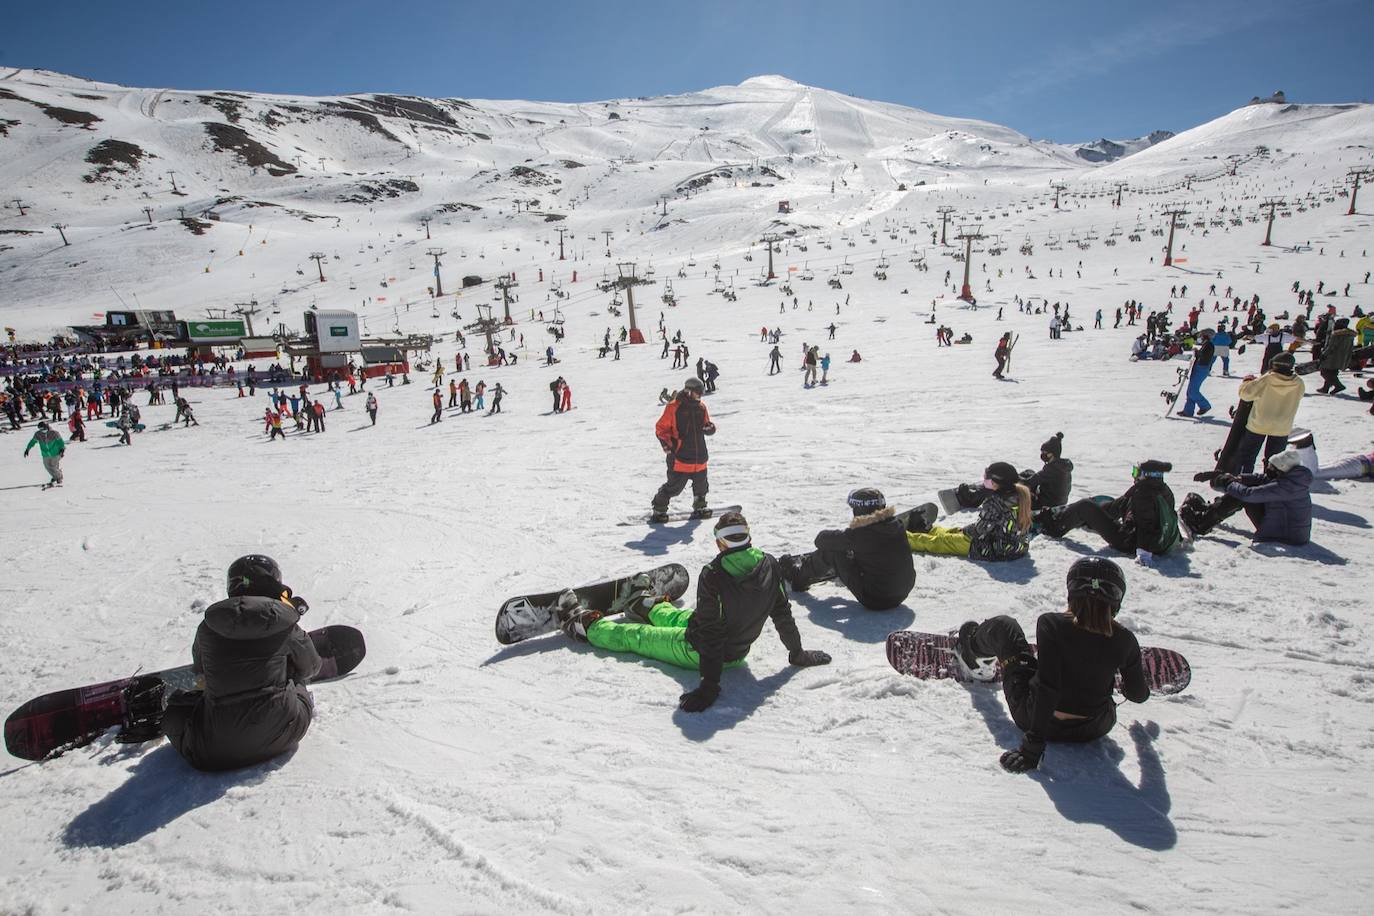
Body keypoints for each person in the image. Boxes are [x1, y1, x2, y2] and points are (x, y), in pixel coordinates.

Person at [555, 513, 831, 711]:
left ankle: (584, 626)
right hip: (734, 648)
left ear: (720, 543)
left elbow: (711, 634)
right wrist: (797, 653)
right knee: (682, 617)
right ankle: (644, 605)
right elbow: (782, 613)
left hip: (699, 651)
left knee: (637, 636)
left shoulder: (714, 574)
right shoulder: (769, 563)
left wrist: (709, 685)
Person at [952, 557, 1148, 773]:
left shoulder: (1052, 624)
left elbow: (1048, 686)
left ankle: (971, 652)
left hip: (1033, 718)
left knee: (1004, 627)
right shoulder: (1125, 640)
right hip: (1095, 727)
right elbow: (1138, 695)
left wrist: (1031, 749)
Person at [159, 555, 321, 771]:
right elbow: (311, 668)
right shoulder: (286, 622)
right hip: (286, 733)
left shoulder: (208, 627)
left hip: (213, 753)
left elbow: (200, 675)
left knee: (175, 713)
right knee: (296, 679)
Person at [778, 488, 915, 610]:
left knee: (832, 551)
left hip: (877, 599)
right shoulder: (897, 525)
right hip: (902, 593)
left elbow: (820, 540)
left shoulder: (861, 535)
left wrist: (846, 539)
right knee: (853, 548)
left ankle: (798, 577)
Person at [1036, 461, 1180, 565]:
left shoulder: (1143, 495)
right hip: (1154, 540)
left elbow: (1146, 524)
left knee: (1085, 506)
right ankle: (1091, 517)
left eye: (1136, 472)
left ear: (1147, 476)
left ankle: (1053, 526)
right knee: (1124, 501)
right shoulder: (1163, 489)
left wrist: (1144, 554)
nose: (1133, 476)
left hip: (1129, 541)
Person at [1181, 449, 1312, 545]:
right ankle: (1210, 511)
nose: (1268, 470)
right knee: (1243, 489)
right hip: (1285, 528)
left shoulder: (1287, 486)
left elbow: (1248, 494)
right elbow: (1263, 479)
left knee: (1242, 496)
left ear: (1281, 469)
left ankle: (1201, 524)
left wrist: (1228, 483)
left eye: (1272, 467)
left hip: (1285, 536)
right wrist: (1238, 478)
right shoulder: (1291, 478)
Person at [906, 462, 1032, 562]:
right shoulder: (1020, 495)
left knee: (941, 542)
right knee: (958, 531)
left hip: (990, 548)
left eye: (987, 478)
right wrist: (963, 530)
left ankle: (905, 538)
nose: (984, 480)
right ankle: (929, 530)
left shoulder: (995, 502)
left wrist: (965, 531)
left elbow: (979, 530)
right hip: (1015, 547)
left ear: (995, 483)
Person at [651, 377, 715, 521]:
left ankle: (700, 505)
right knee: (674, 487)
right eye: (698, 392)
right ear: (688, 391)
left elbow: (706, 424)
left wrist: (710, 428)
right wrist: (667, 445)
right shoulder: (674, 407)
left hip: (699, 455)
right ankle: (659, 508)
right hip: (680, 455)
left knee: (701, 484)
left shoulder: (701, 407)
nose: (700, 395)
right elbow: (661, 428)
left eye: (701, 392)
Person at [1229, 352, 1303, 473]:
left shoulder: (1268, 379)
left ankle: (1243, 478)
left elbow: (1246, 394)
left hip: (1259, 424)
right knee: (1276, 460)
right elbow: (1298, 396)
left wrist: (1247, 382)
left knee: (1247, 455)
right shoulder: (1298, 382)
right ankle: (1270, 482)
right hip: (1282, 427)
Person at [1025, 432, 1073, 509]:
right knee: (1029, 472)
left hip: (1047, 506)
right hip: (1059, 503)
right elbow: (1038, 477)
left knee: (1020, 496)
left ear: (1052, 454)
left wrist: (1013, 478)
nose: (1042, 454)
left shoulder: (1051, 470)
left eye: (1044, 452)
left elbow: (1029, 482)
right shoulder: (1063, 467)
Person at [1178, 328, 1216, 417]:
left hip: (1202, 369)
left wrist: (1197, 353)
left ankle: (1205, 405)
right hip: (1198, 368)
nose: (1200, 337)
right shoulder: (1206, 344)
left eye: (1202, 335)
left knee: (1193, 391)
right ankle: (1188, 411)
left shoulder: (1209, 345)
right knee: (1190, 390)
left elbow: (1204, 358)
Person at [1316, 318, 1357, 394]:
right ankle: (1326, 388)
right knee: (1332, 372)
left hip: (1333, 357)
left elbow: (1331, 347)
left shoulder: (1337, 334)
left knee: (1324, 371)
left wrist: (1324, 354)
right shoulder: (1350, 335)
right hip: (1342, 357)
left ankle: (1339, 386)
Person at [24, 420, 65, 488]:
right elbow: (33, 441)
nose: (41, 430)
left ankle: (59, 478)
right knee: (47, 466)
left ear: (47, 427)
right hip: (45, 454)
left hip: (56, 452)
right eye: (40, 429)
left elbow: (60, 442)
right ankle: (56, 476)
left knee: (53, 466)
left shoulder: (54, 433)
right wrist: (28, 449)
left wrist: (62, 449)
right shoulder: (38, 434)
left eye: (42, 429)